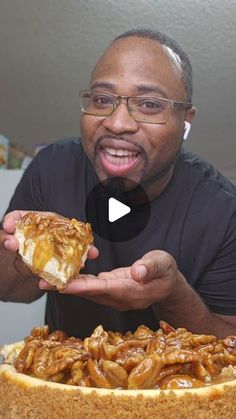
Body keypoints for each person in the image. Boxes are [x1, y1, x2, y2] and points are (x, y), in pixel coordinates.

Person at [0, 28, 236, 339]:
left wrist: (172, 294)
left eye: (149, 104)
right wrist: (33, 251)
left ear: (186, 121)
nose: (118, 123)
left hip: (173, 387)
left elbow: (230, 349)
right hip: (63, 381)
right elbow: (8, 288)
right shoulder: (52, 168)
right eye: (102, 99)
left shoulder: (222, 211)